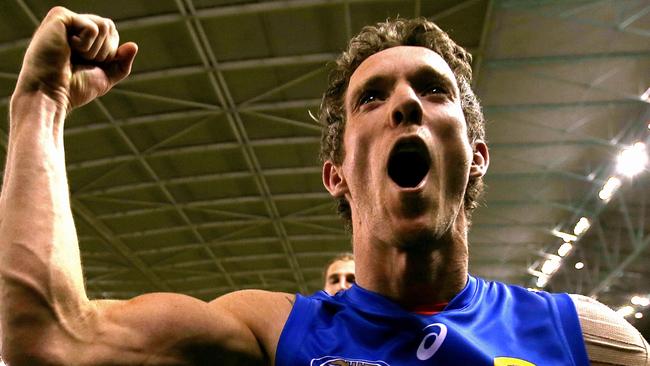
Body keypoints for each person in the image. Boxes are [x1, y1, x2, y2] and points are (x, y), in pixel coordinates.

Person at [0, 6, 648, 366]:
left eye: (432, 90)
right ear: (336, 173)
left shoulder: (586, 341)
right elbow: (51, 340)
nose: (406, 106)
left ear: (476, 155)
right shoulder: (272, 334)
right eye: (373, 97)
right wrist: (40, 105)